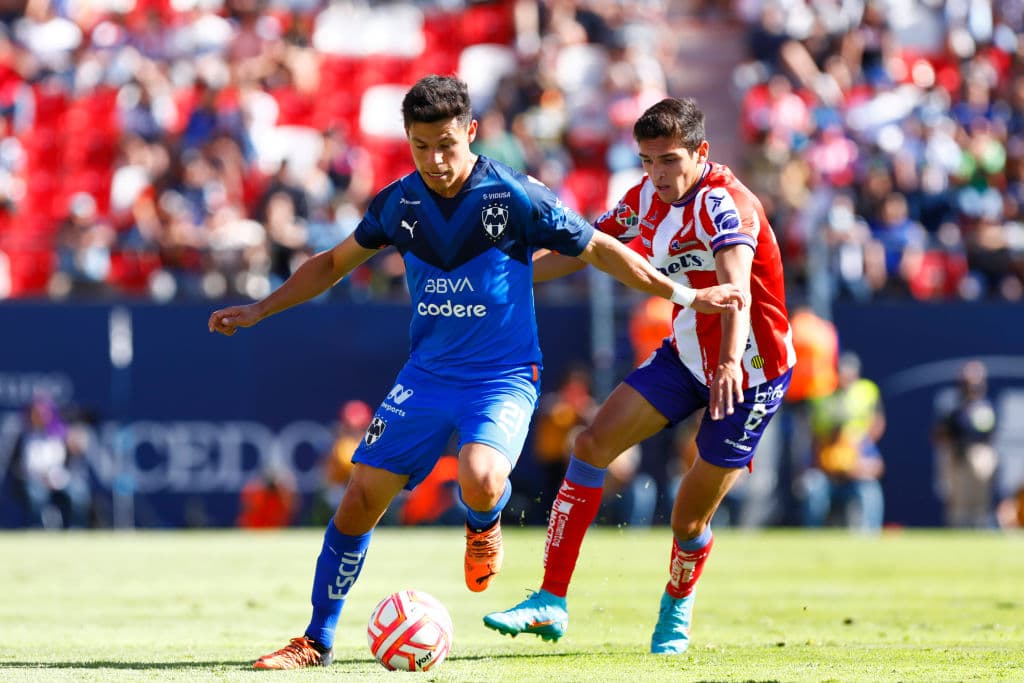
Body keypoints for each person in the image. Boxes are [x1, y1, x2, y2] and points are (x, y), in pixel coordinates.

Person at [207, 77, 746, 670]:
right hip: (427, 375)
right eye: (420, 146)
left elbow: (597, 248)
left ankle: (484, 523)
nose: (435, 161)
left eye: (445, 144)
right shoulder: (399, 203)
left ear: (470, 132)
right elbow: (333, 263)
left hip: (504, 376)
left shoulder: (516, 195)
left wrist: (681, 294)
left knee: (481, 477)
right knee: (359, 498)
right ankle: (315, 640)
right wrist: (260, 308)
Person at [484, 96, 794, 654]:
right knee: (592, 444)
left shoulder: (727, 206)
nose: (658, 174)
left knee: (686, 519)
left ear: (701, 152)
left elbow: (736, 292)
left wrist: (727, 361)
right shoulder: (644, 199)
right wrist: (508, 281)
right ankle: (549, 601)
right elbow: (585, 250)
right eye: (647, 161)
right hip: (685, 358)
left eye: (669, 160)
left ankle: (675, 613)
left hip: (748, 374)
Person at [797, 352, 886, 532]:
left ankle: (869, 537)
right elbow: (814, 465)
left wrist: (857, 468)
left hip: (853, 481)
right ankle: (811, 536)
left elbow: (878, 467)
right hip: (828, 481)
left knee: (869, 490)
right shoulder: (823, 442)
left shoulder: (861, 442)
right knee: (813, 486)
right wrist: (833, 468)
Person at [933, 360, 999, 528]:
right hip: (958, 455)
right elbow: (941, 434)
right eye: (966, 383)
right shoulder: (954, 410)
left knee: (979, 503)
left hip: (979, 455)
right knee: (958, 502)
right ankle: (958, 532)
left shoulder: (985, 408)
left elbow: (989, 434)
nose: (970, 387)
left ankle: (978, 531)